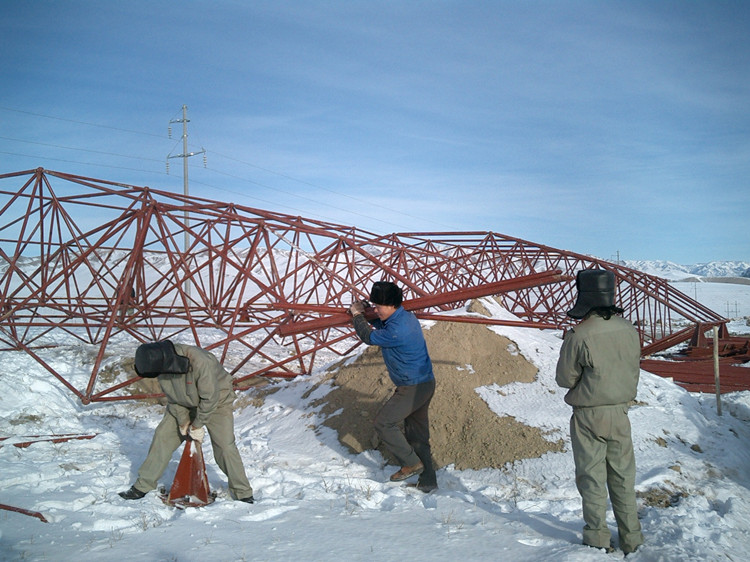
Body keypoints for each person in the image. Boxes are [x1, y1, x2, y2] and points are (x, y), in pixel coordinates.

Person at [555, 269, 644, 555]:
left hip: (589, 415)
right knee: (623, 477)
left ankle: (597, 538)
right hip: (621, 413)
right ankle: (632, 537)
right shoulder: (629, 329)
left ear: (585, 298)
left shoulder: (579, 335)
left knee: (592, 477)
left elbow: (564, 379)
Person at [119, 340, 255, 503]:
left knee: (225, 447)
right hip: (182, 403)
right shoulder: (159, 365)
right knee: (162, 437)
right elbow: (173, 399)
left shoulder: (199, 361)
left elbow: (209, 399)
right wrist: (184, 422)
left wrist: (197, 425)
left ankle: (243, 492)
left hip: (217, 403)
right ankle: (142, 486)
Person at [348, 280, 438, 492]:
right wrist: (369, 314)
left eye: (378, 306)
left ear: (391, 305)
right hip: (425, 383)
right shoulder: (404, 317)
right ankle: (428, 482)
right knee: (417, 436)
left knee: (384, 423)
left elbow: (368, 337)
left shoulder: (398, 330)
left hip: (412, 387)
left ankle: (411, 463)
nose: (376, 310)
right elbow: (383, 324)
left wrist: (357, 315)